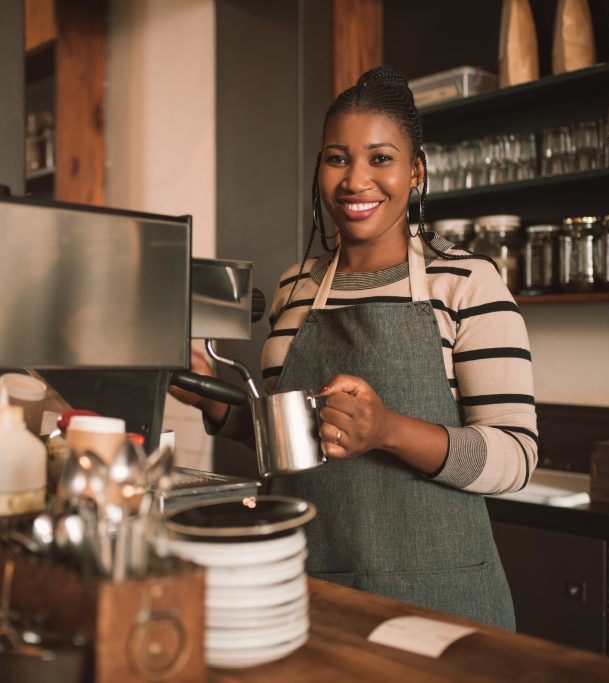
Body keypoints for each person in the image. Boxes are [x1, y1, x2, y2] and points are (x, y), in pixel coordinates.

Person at [169, 65, 537, 631]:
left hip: (438, 598)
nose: (355, 179)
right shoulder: (296, 287)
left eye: (380, 158)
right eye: (337, 158)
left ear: (415, 172)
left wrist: (386, 430)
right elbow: (292, 437)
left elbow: (516, 458)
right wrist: (212, 395)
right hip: (303, 583)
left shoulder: (465, 282)